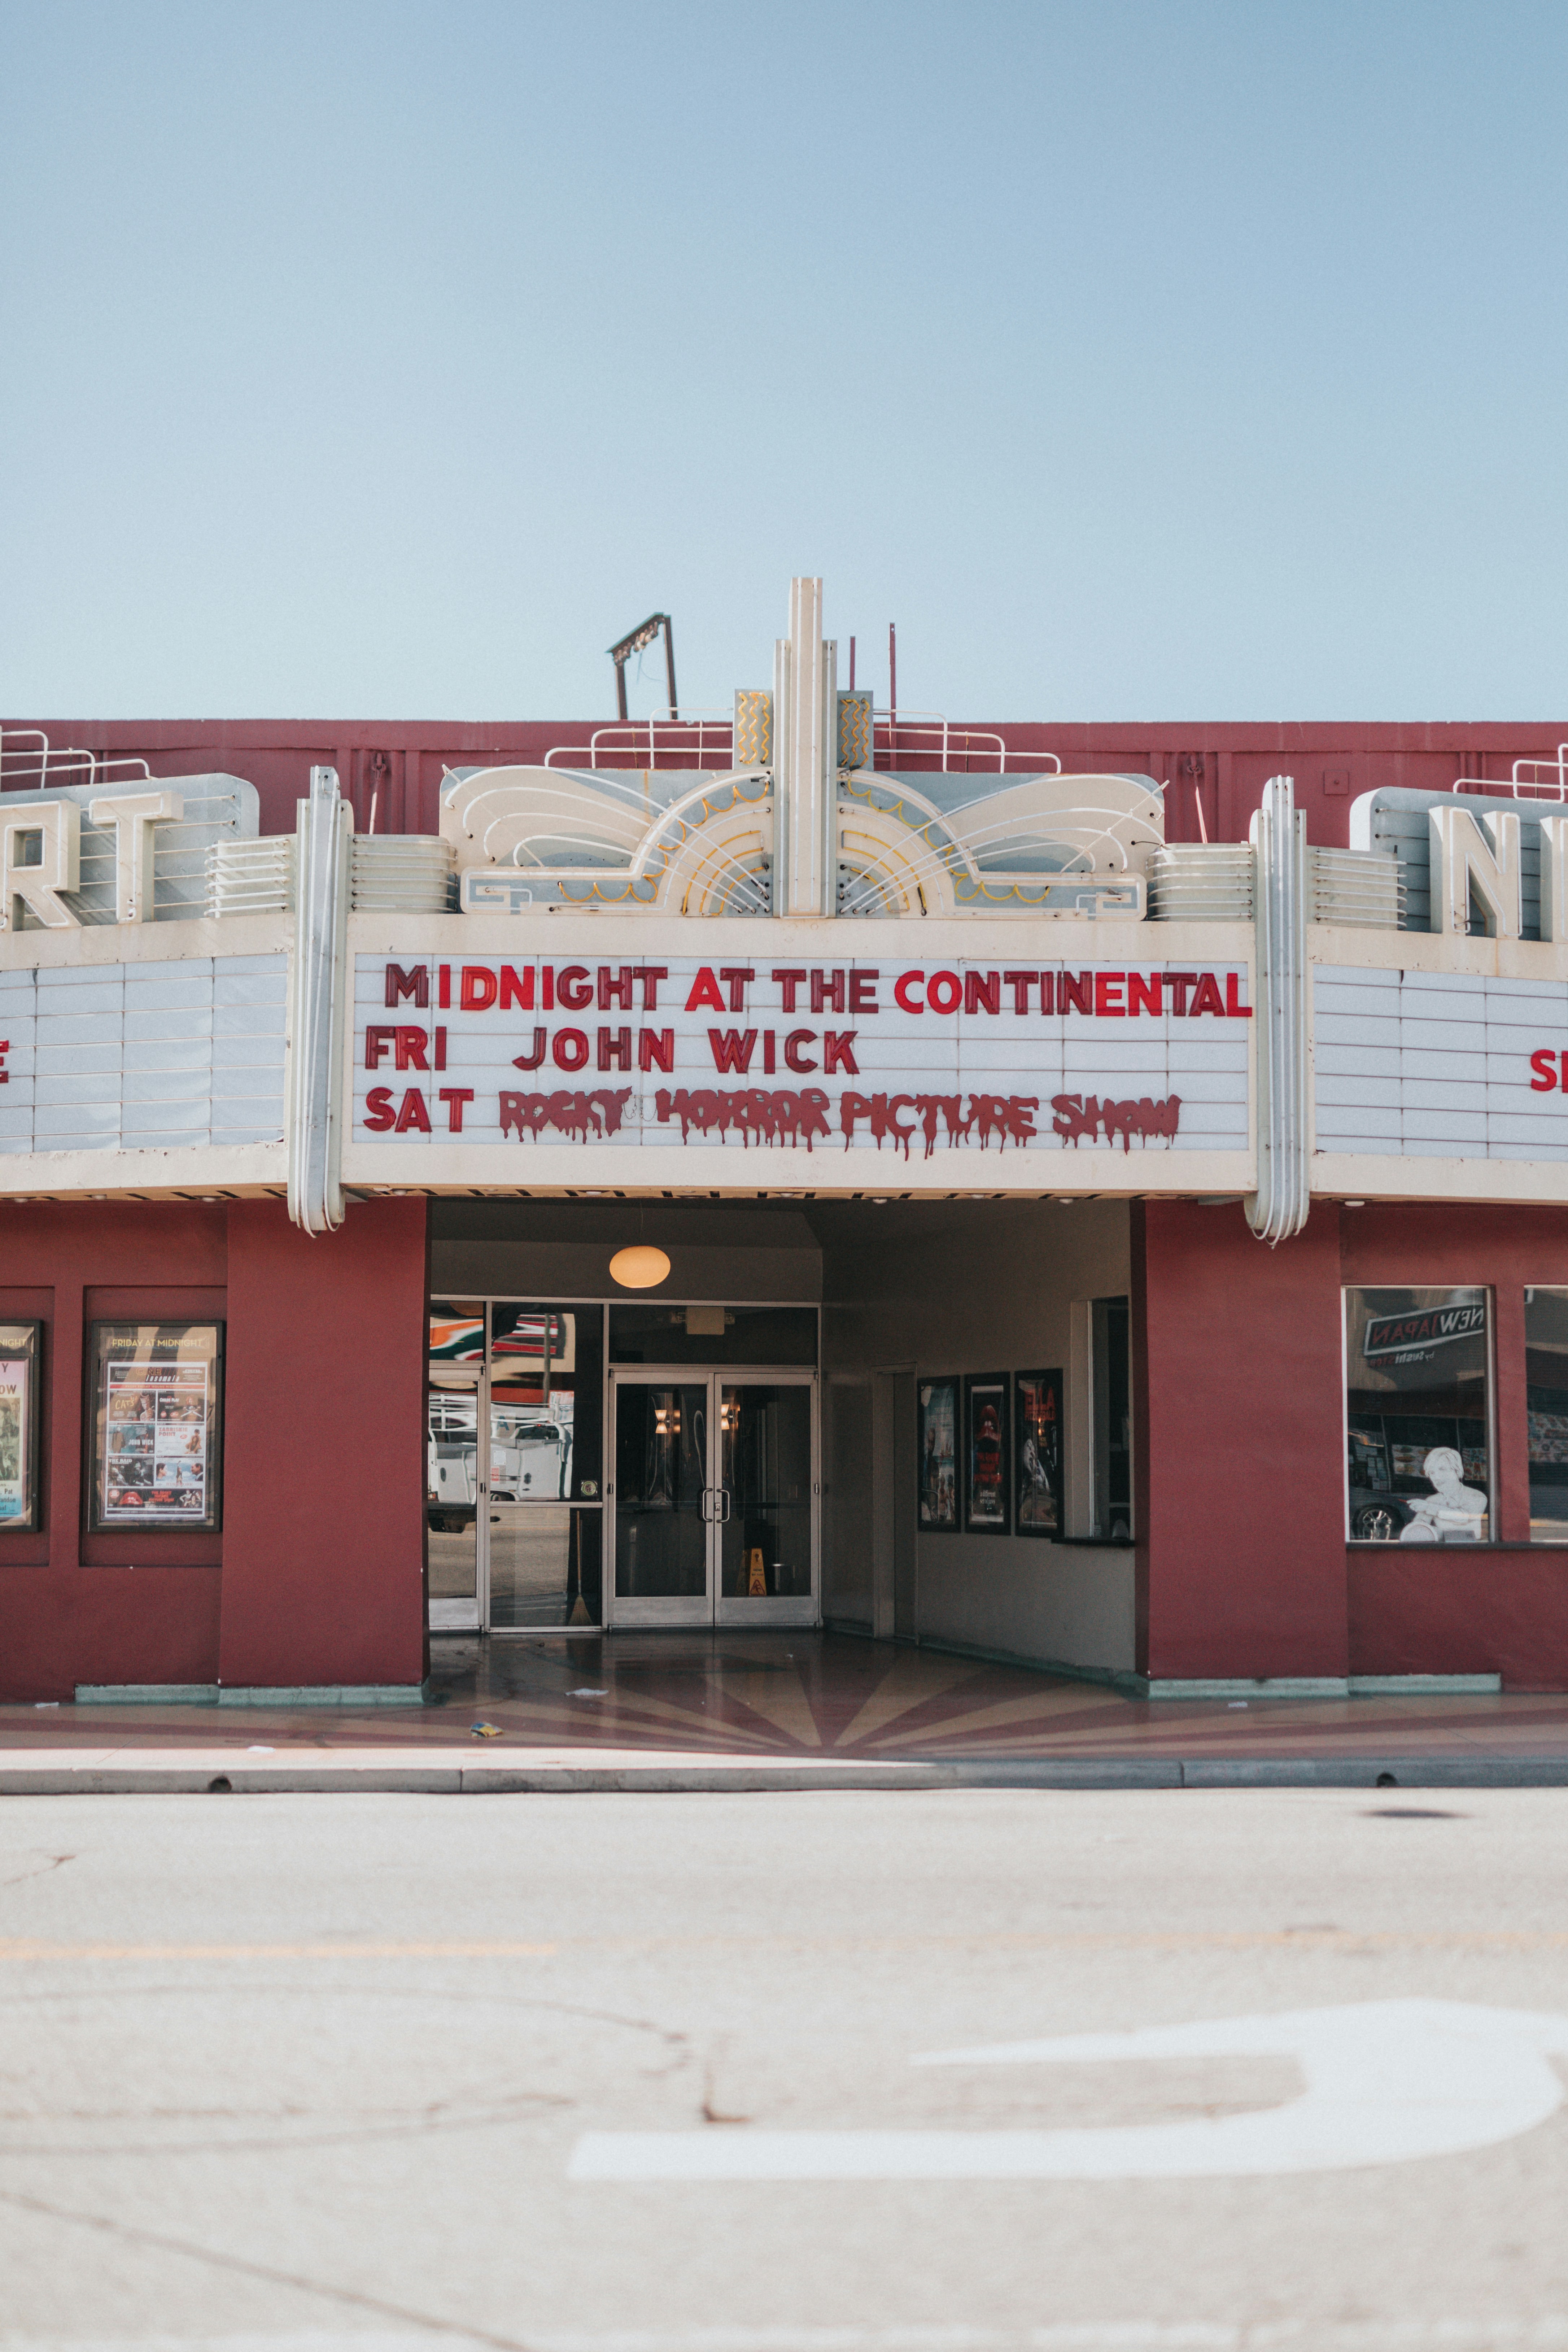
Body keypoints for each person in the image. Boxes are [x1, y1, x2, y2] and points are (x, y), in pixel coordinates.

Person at [1399, 1445, 1487, 1541]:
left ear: (1457, 1471)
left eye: (1442, 1469)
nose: (1437, 1477)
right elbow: (1416, 1530)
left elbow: (1464, 1517)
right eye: (1432, 1473)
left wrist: (1429, 1508)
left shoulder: (1477, 1497)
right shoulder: (1432, 1501)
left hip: (1472, 1551)